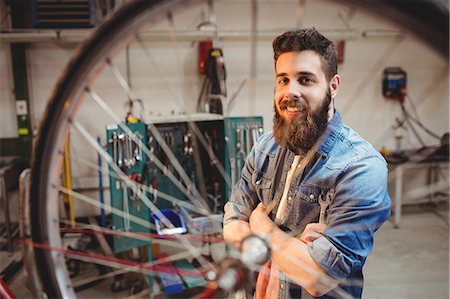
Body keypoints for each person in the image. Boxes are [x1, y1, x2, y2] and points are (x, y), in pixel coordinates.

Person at [223, 28, 391, 299]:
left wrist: (260, 224)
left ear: (333, 86)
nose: (291, 91)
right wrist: (291, 248)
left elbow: (317, 278)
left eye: (305, 80)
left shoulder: (361, 168)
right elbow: (231, 224)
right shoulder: (264, 148)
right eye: (283, 79)